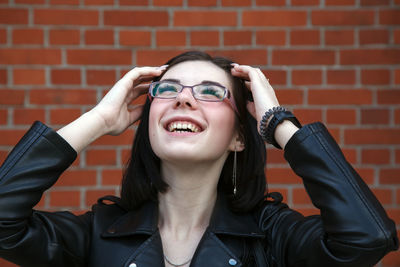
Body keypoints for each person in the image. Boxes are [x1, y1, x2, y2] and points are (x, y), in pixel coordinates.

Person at [0, 51, 397, 267]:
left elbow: (366, 240)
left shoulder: (272, 239)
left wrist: (278, 123)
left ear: (240, 137)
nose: (183, 98)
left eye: (210, 92)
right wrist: (98, 119)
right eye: (168, 88)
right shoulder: (97, 236)